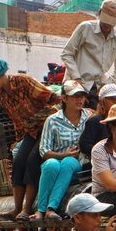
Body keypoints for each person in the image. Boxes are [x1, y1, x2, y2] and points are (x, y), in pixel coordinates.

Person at [0, 54, 60, 221]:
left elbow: (52, 98)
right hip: (30, 131)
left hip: (47, 126)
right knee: (18, 161)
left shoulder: (23, 81)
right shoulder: (1, 96)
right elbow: (17, 121)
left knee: (33, 161)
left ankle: (27, 209)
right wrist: (18, 141)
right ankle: (16, 208)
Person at [30, 80, 90, 222]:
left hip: (78, 164)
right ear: (64, 98)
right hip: (56, 162)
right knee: (51, 164)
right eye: (75, 96)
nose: (80, 99)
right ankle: (41, 209)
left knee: (69, 162)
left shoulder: (89, 117)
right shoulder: (52, 120)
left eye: (81, 96)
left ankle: (51, 208)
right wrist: (64, 154)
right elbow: (44, 151)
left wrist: (68, 157)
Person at [61, 0, 116, 109]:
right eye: (105, 20)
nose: (107, 25)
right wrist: (77, 78)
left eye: (111, 22)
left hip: (97, 88)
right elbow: (67, 53)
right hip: (74, 85)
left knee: (94, 122)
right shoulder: (85, 28)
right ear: (100, 13)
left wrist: (107, 85)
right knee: (72, 121)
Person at [79, 84, 116, 159]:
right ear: (102, 101)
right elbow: (85, 145)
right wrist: (105, 151)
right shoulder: (95, 121)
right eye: (111, 98)